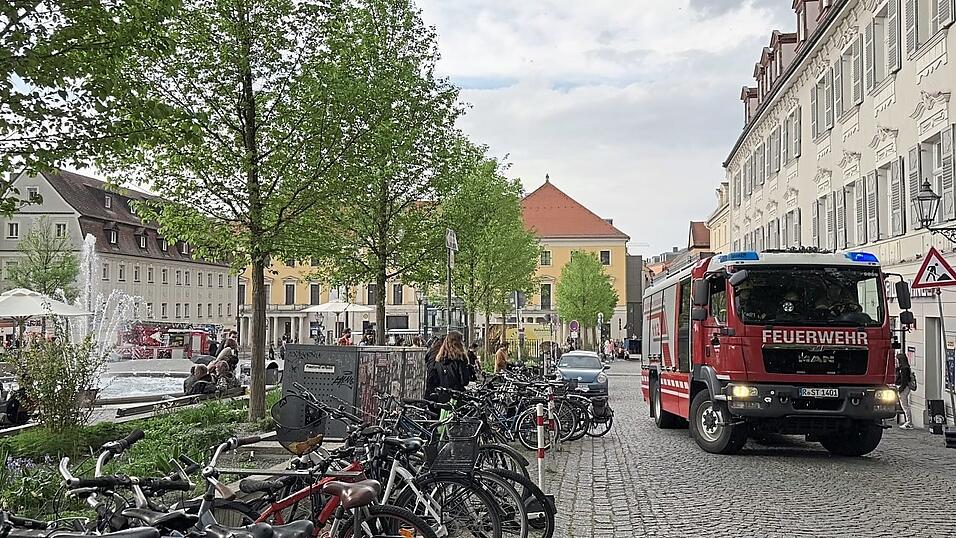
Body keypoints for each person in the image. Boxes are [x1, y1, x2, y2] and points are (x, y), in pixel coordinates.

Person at [425, 331, 471, 403]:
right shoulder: (460, 359)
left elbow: (434, 379)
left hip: (442, 396)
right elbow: (464, 381)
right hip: (456, 397)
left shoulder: (438, 360)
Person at [895, 353, 915, 429]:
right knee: (905, 405)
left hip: (903, 388)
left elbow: (904, 380)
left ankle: (909, 423)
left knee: (905, 406)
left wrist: (900, 389)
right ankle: (908, 422)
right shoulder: (904, 368)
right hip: (904, 387)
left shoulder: (903, 369)